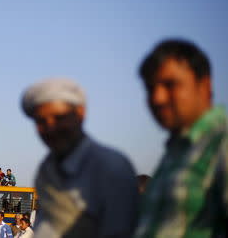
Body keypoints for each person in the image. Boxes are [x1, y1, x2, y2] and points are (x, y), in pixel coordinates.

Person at [21, 78, 138, 238]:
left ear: (81, 113)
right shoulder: (46, 169)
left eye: (59, 118)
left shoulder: (110, 168)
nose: (50, 127)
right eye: (41, 121)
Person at [134, 39, 228, 238]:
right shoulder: (177, 153)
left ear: (204, 86)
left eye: (170, 85)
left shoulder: (221, 141)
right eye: (151, 88)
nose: (157, 98)